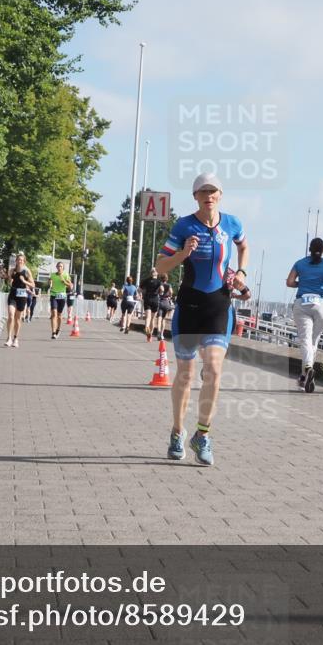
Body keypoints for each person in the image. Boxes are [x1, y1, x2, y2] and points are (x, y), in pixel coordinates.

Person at [154, 172, 249, 466]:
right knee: (184, 374)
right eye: (202, 191)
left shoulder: (232, 223)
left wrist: (241, 274)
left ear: (220, 195)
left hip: (219, 304)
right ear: (195, 196)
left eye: (213, 191)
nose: (208, 196)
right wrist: (183, 253)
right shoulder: (184, 225)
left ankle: (202, 434)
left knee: (215, 369)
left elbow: (243, 246)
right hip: (190, 305)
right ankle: (177, 431)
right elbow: (160, 265)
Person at [286, 238, 323, 392]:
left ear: (309, 249)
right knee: (313, 342)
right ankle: (304, 376)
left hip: (302, 302)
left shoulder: (300, 263)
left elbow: (289, 282)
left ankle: (307, 369)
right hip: (321, 303)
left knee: (305, 339)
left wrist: (301, 283)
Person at [5, 253, 35, 347]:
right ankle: (9, 338)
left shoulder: (26, 271)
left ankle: (16, 338)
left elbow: (33, 285)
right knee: (10, 315)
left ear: (24, 261)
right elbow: (9, 282)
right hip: (13, 294)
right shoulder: (12, 270)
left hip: (22, 296)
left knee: (18, 319)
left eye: (21, 260)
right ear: (16, 261)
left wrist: (24, 281)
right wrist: (9, 280)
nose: (20, 261)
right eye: (18, 260)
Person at [48, 262, 73, 339]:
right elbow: (49, 281)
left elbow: (71, 286)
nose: (59, 267)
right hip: (53, 295)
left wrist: (64, 282)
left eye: (61, 266)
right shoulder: (52, 275)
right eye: (58, 266)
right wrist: (50, 283)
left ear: (63, 268)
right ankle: (53, 332)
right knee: (54, 314)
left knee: (59, 315)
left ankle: (58, 329)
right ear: (56, 267)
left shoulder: (65, 275)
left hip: (62, 296)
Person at [140, 267, 163, 342]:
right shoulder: (159, 282)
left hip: (147, 299)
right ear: (156, 273)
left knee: (148, 317)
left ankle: (146, 327)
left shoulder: (146, 280)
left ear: (150, 273)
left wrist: (142, 294)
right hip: (155, 300)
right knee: (153, 318)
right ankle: (150, 335)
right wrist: (160, 292)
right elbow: (162, 289)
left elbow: (139, 289)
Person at [154, 273, 174, 340]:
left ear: (161, 278)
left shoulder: (160, 284)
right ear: (167, 279)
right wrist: (169, 296)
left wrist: (160, 294)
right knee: (163, 319)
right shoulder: (169, 285)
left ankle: (158, 332)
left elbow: (158, 292)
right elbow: (171, 292)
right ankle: (162, 334)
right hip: (166, 302)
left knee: (159, 318)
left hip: (160, 302)